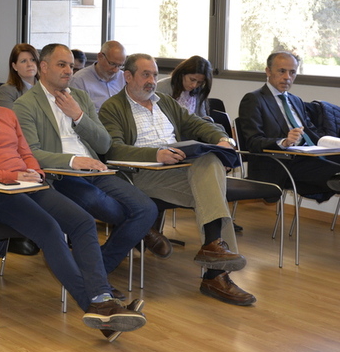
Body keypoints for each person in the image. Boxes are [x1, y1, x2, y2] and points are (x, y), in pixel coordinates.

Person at [0, 50, 146, 340]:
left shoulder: (7, 114)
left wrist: (33, 172)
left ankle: (102, 299)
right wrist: (12, 176)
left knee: (83, 221)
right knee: (50, 229)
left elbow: (26, 153)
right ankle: (99, 305)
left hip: (29, 185)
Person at [99, 54, 256, 306]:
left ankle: (214, 252)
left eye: (154, 74)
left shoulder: (164, 102)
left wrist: (223, 139)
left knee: (210, 160)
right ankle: (216, 274)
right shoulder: (113, 107)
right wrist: (156, 154)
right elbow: (113, 150)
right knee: (213, 191)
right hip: (142, 175)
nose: (152, 81)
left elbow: (197, 124)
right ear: (127, 77)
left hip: (178, 169)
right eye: (145, 75)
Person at [13, 44, 156, 279]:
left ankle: (97, 265)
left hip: (95, 169)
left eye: (70, 65)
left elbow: (103, 144)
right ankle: (95, 273)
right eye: (62, 65)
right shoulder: (25, 104)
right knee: (118, 211)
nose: (69, 70)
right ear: (44, 67)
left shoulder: (80, 97)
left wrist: (78, 115)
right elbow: (31, 153)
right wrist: (72, 161)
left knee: (146, 208)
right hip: (62, 175)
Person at [237, 51, 340, 199]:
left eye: (292, 72)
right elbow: (253, 141)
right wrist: (284, 142)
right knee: (332, 172)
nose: (287, 77)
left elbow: (311, 132)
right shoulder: (254, 99)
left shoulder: (296, 100)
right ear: (268, 71)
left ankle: (333, 178)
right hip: (281, 162)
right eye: (282, 71)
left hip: (308, 156)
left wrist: (331, 142)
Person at [70, 40, 126, 111]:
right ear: (100, 57)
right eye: (112, 64)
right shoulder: (79, 80)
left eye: (120, 66)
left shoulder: (124, 77)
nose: (115, 70)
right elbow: (78, 114)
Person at [156, 55, 214, 120]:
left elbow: (201, 116)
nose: (194, 85)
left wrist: (207, 120)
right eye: (192, 79)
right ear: (182, 74)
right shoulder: (162, 87)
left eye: (199, 82)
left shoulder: (198, 91)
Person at [0, 42, 38, 108]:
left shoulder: (46, 87)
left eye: (33, 60)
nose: (30, 64)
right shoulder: (7, 90)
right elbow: (9, 117)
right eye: (23, 61)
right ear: (14, 66)